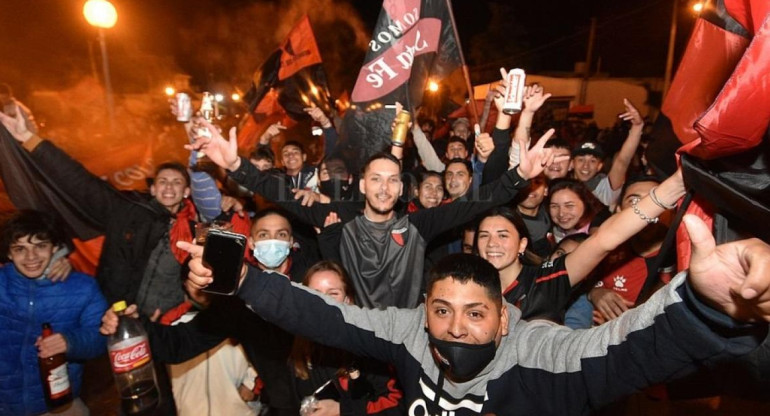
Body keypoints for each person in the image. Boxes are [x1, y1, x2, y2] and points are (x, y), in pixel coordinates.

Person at [181, 212, 770, 415]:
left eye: (474, 314)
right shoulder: (408, 331)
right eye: (442, 311)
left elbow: (622, 350)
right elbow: (324, 317)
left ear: (505, 317)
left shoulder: (540, 351)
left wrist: (700, 310)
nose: (456, 327)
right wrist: (242, 281)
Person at [189, 118, 559, 308]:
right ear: (363, 185)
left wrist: (520, 175)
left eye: (393, 180)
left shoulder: (418, 223)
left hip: (407, 335)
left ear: (401, 189)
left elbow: (473, 203)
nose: (384, 187)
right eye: (376, 179)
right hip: (351, 331)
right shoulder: (337, 216)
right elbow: (281, 195)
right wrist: (236, 164)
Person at [100, 208, 317, 415]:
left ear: (291, 242)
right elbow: (179, 344)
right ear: (250, 243)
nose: (272, 241)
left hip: (333, 395)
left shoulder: (313, 279)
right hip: (286, 404)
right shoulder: (237, 298)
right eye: (263, 234)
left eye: (281, 234)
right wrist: (136, 324)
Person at [476, 170, 684, 322]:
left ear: (522, 244)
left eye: (503, 235)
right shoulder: (467, 284)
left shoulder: (545, 281)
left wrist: (673, 186)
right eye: (484, 236)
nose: (492, 243)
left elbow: (603, 240)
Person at [0, 210, 107, 415]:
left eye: (40, 246)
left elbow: (100, 338)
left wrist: (70, 342)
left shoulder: (82, 287)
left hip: (59, 406)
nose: (31, 257)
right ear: (9, 253)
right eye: (20, 249)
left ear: (56, 248)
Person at [289, 261, 403, 415]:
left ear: (347, 300)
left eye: (333, 293)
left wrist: (342, 410)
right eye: (315, 294)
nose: (323, 301)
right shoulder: (299, 350)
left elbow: (398, 403)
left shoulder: (369, 346)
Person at [571, 99, 644, 208]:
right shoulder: (563, 185)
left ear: (599, 166)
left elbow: (622, 161)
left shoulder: (604, 187)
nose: (585, 166)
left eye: (592, 161)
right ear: (572, 164)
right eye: (581, 160)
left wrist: (637, 127)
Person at [547, 178, 609, 243]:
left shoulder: (598, 229)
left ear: (585, 203)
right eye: (554, 206)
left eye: (569, 206)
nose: (561, 213)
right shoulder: (551, 230)